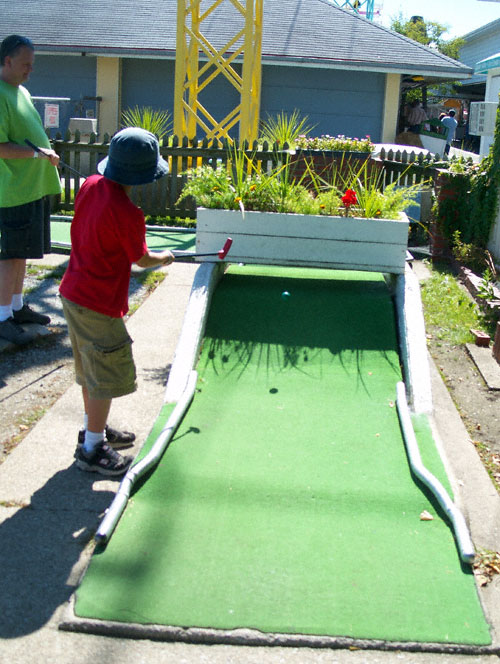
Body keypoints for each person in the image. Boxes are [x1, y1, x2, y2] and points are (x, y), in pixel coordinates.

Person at [59, 127, 175, 476]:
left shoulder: (90, 185)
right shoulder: (127, 213)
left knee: (91, 371)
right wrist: (166, 257)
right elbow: (141, 259)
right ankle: (92, 450)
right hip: (98, 304)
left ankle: (92, 429)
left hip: (73, 293)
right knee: (106, 374)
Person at [0, 35, 61, 346]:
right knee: (9, 256)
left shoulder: (20, 90)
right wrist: (37, 153)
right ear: (7, 61)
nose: (29, 71)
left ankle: (16, 307)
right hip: (9, 191)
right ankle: (1, 317)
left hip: (30, 189)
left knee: (22, 253)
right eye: (25, 65)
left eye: (32, 66)